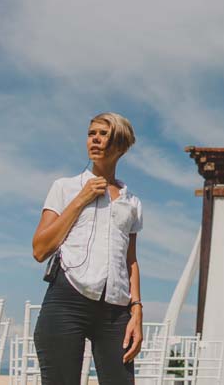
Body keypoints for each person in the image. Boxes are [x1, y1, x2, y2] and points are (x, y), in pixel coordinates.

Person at [32, 112, 143, 385]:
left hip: (116, 309)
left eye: (104, 134)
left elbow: (130, 260)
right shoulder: (65, 187)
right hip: (67, 298)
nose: (95, 139)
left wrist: (137, 310)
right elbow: (40, 249)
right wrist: (81, 199)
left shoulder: (132, 203)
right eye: (91, 133)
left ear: (120, 144)